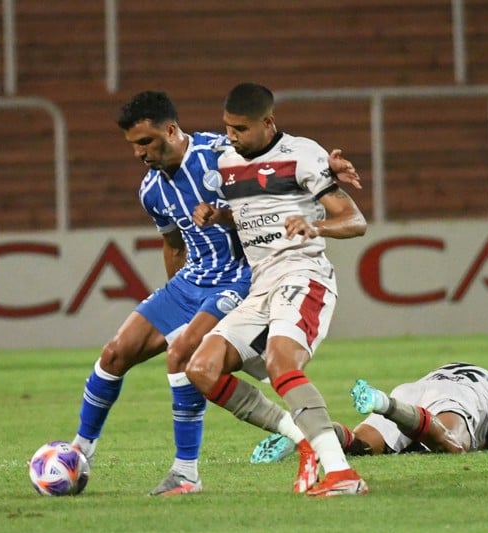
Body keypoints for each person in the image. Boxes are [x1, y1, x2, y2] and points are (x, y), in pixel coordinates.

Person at [71, 90, 361, 496]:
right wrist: (176, 300)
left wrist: (324, 170)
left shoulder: (218, 152)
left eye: (145, 142)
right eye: (133, 146)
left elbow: (273, 151)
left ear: (170, 130)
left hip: (241, 277)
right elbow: (174, 245)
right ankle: (79, 452)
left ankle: (186, 471)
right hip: (192, 280)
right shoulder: (151, 190)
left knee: (183, 355)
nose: (139, 153)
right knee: (115, 353)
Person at [186, 82, 369, 497]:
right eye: (227, 127)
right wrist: (219, 217)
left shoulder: (303, 155)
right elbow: (251, 210)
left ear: (269, 122)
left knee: (282, 363)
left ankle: (342, 473)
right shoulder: (228, 158)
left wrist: (314, 225)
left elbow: (355, 221)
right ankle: (303, 437)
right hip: (261, 284)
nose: (231, 136)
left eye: (241, 128)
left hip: (303, 273)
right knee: (201, 369)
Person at [250, 362, 488, 463]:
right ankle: (385, 405)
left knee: (359, 446)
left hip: (411, 391)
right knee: (453, 443)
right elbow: (476, 445)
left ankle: (303, 433)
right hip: (458, 397)